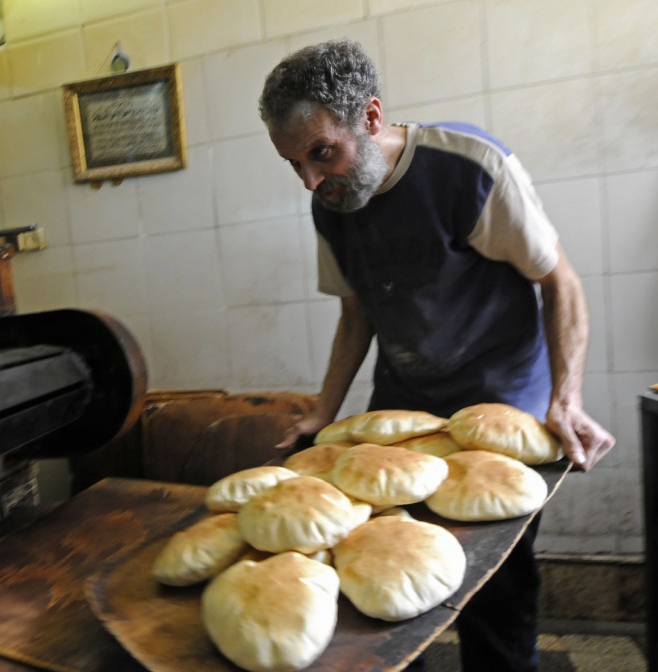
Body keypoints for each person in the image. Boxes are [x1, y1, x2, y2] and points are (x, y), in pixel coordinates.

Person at [259, 40, 615, 672]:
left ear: (369, 119)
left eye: (322, 154)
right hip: (405, 400)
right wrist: (321, 412)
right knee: (381, 562)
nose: (310, 181)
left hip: (500, 399)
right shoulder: (332, 203)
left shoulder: (468, 168)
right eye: (293, 164)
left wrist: (565, 400)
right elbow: (355, 314)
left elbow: (559, 282)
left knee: (493, 580)